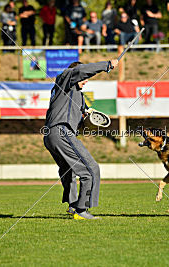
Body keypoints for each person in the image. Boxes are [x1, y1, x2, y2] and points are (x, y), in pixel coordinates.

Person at [44, 58, 118, 220]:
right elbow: (80, 71)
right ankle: (81, 209)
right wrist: (106, 65)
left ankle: (72, 205)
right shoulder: (65, 78)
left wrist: (85, 113)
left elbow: (80, 111)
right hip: (61, 131)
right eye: (84, 78)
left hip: (50, 135)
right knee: (91, 169)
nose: (85, 81)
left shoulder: (73, 93)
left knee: (68, 170)